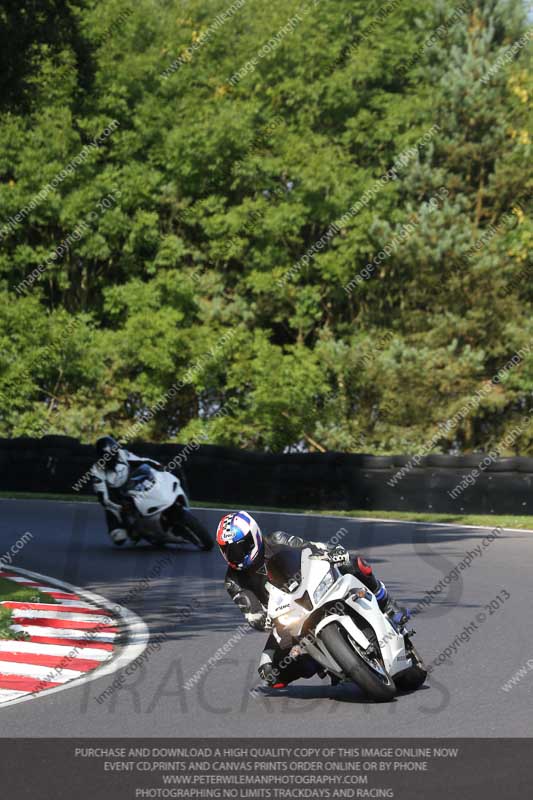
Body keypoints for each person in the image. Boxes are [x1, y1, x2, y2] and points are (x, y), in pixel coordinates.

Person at [217, 510, 404, 689]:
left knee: (353, 562)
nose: (238, 555)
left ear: (255, 536)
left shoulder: (277, 539)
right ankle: (321, 663)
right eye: (230, 551)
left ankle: (386, 602)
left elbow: (310, 547)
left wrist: (331, 553)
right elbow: (251, 612)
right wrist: (264, 620)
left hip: (311, 587)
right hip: (284, 618)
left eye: (241, 547)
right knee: (269, 673)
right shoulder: (233, 581)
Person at [91, 436, 167, 545]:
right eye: (108, 456)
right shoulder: (96, 472)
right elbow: (104, 499)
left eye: (114, 454)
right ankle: (133, 530)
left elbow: (141, 460)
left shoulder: (122, 453)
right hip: (115, 497)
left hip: (131, 484)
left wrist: (158, 465)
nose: (113, 458)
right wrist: (120, 506)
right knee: (119, 538)